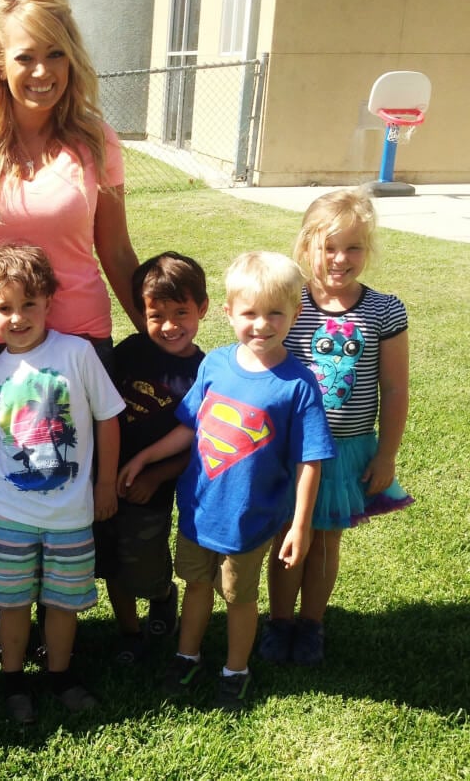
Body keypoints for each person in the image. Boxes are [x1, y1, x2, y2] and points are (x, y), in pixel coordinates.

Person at [0, 0, 144, 654]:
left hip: (80, 339)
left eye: (55, 55)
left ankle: (71, 617)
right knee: (6, 483)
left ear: (73, 59)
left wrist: (157, 333)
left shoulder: (95, 142)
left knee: (80, 484)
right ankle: (9, 618)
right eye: (25, 57)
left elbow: (114, 247)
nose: (42, 72)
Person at [120, 251, 336, 710]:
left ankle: (235, 669)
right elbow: (188, 425)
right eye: (250, 313)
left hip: (248, 520)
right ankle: (187, 654)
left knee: (239, 598)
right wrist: (144, 457)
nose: (262, 324)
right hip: (198, 511)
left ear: (295, 314)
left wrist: (300, 524)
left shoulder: (298, 384)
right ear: (228, 313)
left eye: (276, 312)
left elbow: (309, 461)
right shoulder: (215, 364)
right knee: (196, 586)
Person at [260, 188, 413, 666]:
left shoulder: (384, 310)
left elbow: (394, 389)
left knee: (326, 539)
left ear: (368, 250)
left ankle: (311, 625)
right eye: (329, 247)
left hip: (346, 449)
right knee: (288, 532)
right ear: (306, 246)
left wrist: (386, 454)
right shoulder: (289, 303)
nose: (340, 259)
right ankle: (279, 622)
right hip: (291, 449)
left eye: (353, 248)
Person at [0, 243, 124, 724]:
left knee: (62, 604)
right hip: (10, 514)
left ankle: (60, 675)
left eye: (28, 305)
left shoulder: (77, 353)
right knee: (12, 604)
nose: (17, 317)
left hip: (72, 515)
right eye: (3, 308)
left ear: (48, 301)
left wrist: (104, 486)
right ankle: (13, 680)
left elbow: (108, 418)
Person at [96, 252, 208, 666]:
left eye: (181, 312)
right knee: (108, 559)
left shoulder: (205, 371)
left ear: (203, 309)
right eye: (156, 315)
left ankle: (162, 594)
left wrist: (157, 474)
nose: (169, 326)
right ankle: (129, 631)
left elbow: (200, 442)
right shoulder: (128, 352)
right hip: (104, 476)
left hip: (153, 492)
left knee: (142, 563)